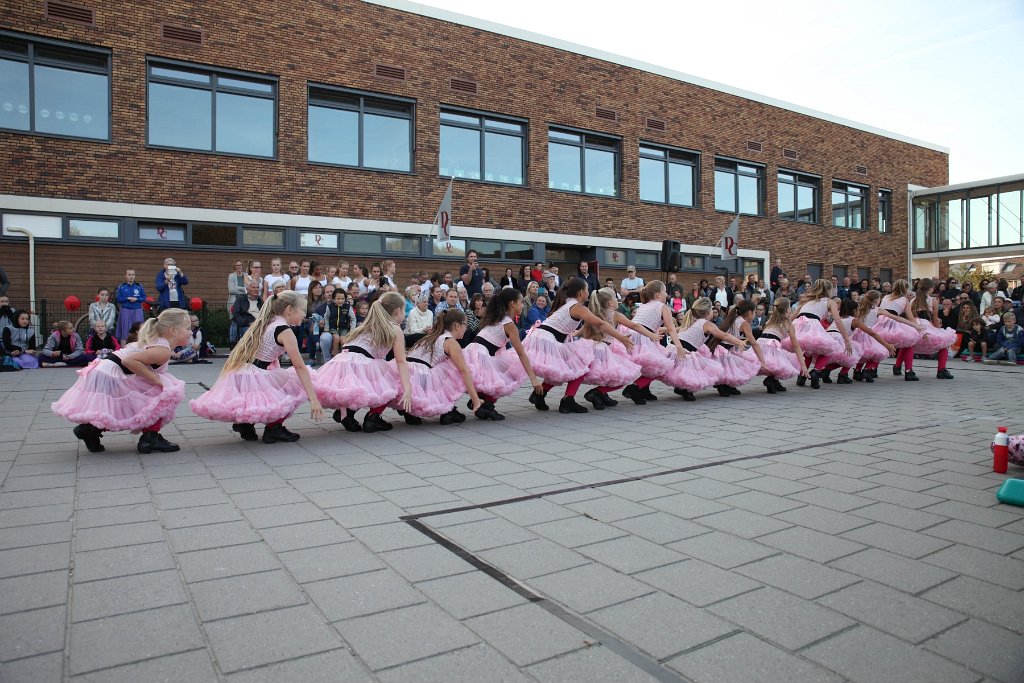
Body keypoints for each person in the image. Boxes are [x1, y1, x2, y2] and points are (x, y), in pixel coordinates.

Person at [52, 308, 190, 454]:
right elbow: (129, 360)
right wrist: (156, 380)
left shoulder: (159, 342)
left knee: (121, 407)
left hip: (105, 369)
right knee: (161, 392)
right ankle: (149, 439)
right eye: (187, 328)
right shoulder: (163, 350)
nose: (191, 332)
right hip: (110, 372)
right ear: (173, 330)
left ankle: (90, 429)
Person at [191, 291, 323, 443]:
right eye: (302, 310)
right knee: (296, 383)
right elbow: (300, 367)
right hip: (255, 374)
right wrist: (313, 399)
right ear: (289, 309)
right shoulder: (284, 330)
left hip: (240, 373)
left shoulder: (267, 322)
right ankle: (274, 428)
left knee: (276, 384)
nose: (304, 315)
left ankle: (245, 424)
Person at [523, 278, 633, 414]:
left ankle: (540, 394)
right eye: (587, 290)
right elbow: (601, 324)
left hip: (545, 336)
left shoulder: (569, 303)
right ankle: (567, 400)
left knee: (563, 369)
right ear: (581, 292)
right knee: (579, 365)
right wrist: (621, 337)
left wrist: (575, 332)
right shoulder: (577, 307)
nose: (588, 292)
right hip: (547, 338)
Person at [313, 291, 413, 433]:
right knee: (392, 381)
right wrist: (407, 389)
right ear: (398, 310)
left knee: (359, 386)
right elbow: (401, 361)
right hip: (362, 360)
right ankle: (373, 417)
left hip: (344, 359)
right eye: (404, 310)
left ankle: (346, 413)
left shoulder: (366, 324)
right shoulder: (395, 328)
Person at [391, 310, 483, 425]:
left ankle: (409, 411)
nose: (467, 328)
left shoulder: (432, 336)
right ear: (456, 326)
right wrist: (475, 399)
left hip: (403, 371)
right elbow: (465, 371)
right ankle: (448, 410)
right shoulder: (450, 342)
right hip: (419, 376)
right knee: (457, 368)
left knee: (445, 365)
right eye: (466, 325)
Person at [463, 288, 542, 420]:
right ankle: (487, 404)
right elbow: (521, 354)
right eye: (521, 302)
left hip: (474, 351)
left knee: (500, 373)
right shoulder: (509, 324)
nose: (522, 305)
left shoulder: (496, 318)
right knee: (506, 376)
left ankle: (480, 399)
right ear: (512, 304)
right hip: (482, 354)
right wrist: (533, 378)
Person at [578, 287, 650, 410]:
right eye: (616, 299)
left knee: (605, 375)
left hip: (592, 347)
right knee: (622, 377)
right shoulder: (615, 315)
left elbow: (583, 331)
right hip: (603, 349)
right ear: (610, 303)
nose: (618, 301)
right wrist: (651, 334)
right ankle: (597, 392)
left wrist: (574, 334)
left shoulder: (594, 314)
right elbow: (633, 325)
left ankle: (601, 395)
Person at [661, 297, 742, 401]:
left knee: (690, 368)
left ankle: (681, 388)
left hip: (673, 349)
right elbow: (724, 336)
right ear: (708, 312)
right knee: (696, 370)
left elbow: (678, 329)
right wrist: (738, 341)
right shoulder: (707, 324)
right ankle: (687, 390)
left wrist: (661, 329)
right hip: (684, 352)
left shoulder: (691, 320)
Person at [789, 279, 853, 390]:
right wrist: (846, 339)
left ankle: (802, 376)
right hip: (813, 324)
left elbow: (792, 316)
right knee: (828, 349)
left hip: (799, 324)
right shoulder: (829, 301)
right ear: (828, 290)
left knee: (809, 351)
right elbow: (838, 320)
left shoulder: (806, 301)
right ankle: (816, 371)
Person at [819, 298, 894, 384]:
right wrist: (886, 345)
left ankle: (826, 371)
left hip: (829, 338)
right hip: (839, 339)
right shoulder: (853, 320)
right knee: (854, 354)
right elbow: (872, 333)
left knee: (843, 358)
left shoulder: (839, 318)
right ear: (854, 310)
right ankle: (843, 375)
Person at [873, 279, 927, 381]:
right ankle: (908, 371)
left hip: (880, 323)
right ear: (905, 289)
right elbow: (910, 317)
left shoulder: (885, 297)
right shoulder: (904, 300)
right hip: (893, 322)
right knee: (908, 344)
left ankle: (872, 369)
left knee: (880, 345)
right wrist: (918, 328)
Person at [709, 301, 766, 396]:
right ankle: (722, 385)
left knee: (734, 364)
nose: (754, 315)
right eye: (754, 312)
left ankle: (728, 385)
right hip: (724, 351)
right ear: (749, 312)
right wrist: (762, 361)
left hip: (723, 349)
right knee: (739, 364)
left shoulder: (733, 318)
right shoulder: (744, 323)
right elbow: (754, 343)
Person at [909, 278, 956, 380]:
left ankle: (905, 369)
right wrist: (938, 328)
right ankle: (941, 370)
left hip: (914, 325)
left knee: (908, 345)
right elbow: (934, 319)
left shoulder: (912, 300)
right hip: (925, 324)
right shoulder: (932, 300)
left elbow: (910, 316)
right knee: (944, 343)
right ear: (931, 289)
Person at [756, 298, 807, 393]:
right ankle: (771, 380)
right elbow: (796, 345)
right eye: (789, 307)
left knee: (772, 362)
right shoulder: (789, 324)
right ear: (787, 309)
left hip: (760, 343)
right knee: (783, 362)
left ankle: (774, 381)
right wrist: (803, 364)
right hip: (771, 344)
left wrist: (799, 309)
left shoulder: (771, 319)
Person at [851, 291, 897, 382]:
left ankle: (857, 371)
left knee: (863, 353)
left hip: (857, 333)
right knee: (877, 353)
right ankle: (867, 370)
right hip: (869, 333)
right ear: (876, 300)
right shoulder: (877, 309)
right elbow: (892, 316)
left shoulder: (860, 308)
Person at [319, 287, 355, 362]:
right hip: (333, 328)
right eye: (338, 298)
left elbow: (353, 318)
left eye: (342, 298)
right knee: (336, 338)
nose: (340, 300)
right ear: (334, 299)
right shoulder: (330, 307)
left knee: (343, 340)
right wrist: (326, 328)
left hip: (344, 328)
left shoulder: (348, 307)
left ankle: (344, 357)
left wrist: (352, 330)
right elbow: (326, 317)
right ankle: (335, 358)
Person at [115, 269, 146, 342]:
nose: (131, 276)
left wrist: (137, 299)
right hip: (125, 310)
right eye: (129, 275)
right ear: (125, 276)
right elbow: (118, 299)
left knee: (139, 330)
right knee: (125, 331)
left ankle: (138, 349)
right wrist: (127, 298)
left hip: (137, 310)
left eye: (133, 275)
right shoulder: (122, 286)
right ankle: (124, 351)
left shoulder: (139, 286)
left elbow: (144, 298)